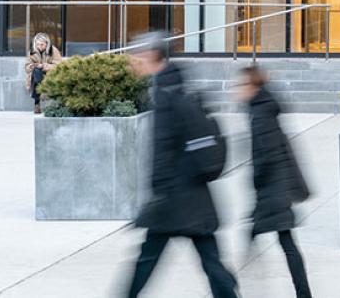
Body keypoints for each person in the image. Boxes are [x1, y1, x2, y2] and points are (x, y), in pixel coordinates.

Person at [127, 32, 238, 298]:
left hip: (174, 198)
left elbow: (164, 150)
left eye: (135, 55)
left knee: (147, 260)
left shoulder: (167, 95)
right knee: (209, 261)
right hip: (190, 196)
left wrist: (159, 193)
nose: (131, 62)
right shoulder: (173, 87)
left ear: (151, 55)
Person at [235, 66, 313, 298]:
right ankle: (303, 293)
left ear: (252, 86)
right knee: (286, 242)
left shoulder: (260, 114)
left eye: (240, 85)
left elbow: (267, 155)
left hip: (271, 189)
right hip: (277, 187)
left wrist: (256, 179)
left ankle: (228, 286)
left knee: (262, 238)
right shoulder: (263, 108)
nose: (237, 90)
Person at [24, 32, 62, 114]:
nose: (39, 47)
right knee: (37, 72)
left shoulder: (53, 51)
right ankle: (37, 103)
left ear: (47, 43)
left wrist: (44, 66)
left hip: (50, 75)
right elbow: (27, 67)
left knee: (38, 75)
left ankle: (37, 103)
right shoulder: (32, 52)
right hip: (36, 76)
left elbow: (58, 66)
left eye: (42, 44)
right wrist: (33, 65)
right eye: (37, 44)